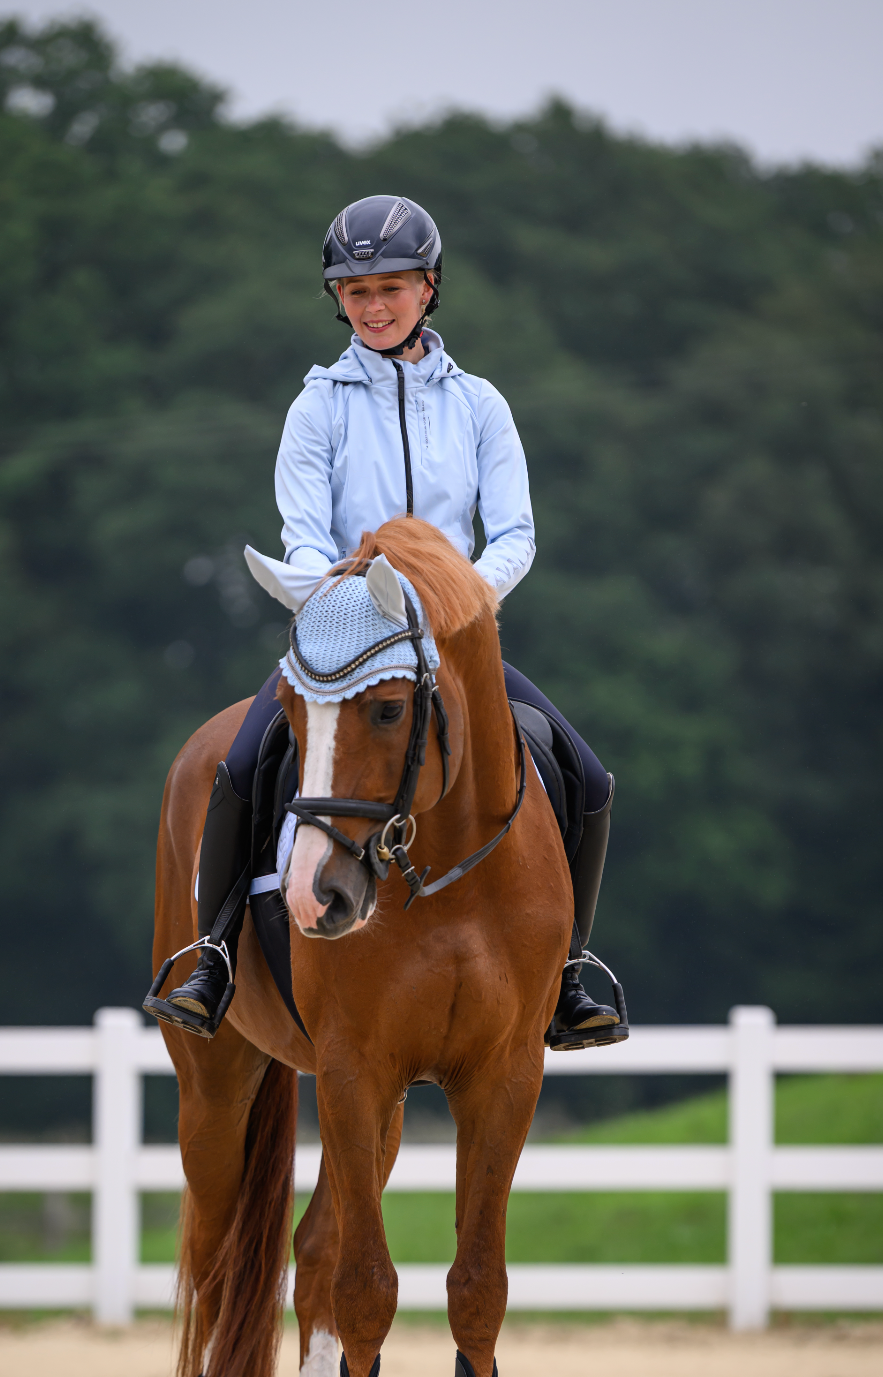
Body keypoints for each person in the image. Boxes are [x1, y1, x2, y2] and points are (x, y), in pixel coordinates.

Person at [157, 195, 625, 1048]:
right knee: (237, 764)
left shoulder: (481, 405)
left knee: (587, 778)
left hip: (453, 640)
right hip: (344, 640)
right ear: (337, 298)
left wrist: (460, 606)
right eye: (356, 290)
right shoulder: (318, 408)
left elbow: (514, 532)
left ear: (429, 289)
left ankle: (567, 972)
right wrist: (344, 598)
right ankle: (214, 954)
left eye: (392, 288)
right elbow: (303, 535)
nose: (373, 306)